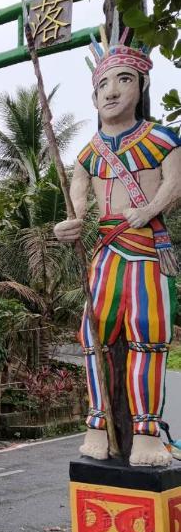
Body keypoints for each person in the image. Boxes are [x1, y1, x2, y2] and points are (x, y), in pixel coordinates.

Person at [54, 27, 181, 466]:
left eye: (124, 80)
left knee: (148, 335)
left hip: (146, 250)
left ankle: (146, 432)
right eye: (103, 84)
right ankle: (98, 424)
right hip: (106, 252)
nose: (112, 91)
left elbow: (174, 183)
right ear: (93, 98)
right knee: (94, 337)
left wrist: (148, 211)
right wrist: (68, 224)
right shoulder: (89, 152)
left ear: (140, 86)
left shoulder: (162, 138)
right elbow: (77, 200)